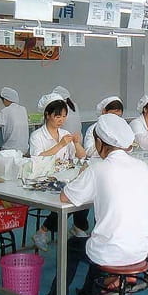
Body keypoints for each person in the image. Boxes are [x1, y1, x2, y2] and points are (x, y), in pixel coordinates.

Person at [45, 114, 148, 295]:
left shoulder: (98, 169)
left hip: (111, 252)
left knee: (73, 245)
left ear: (100, 143)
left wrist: (81, 176)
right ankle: (90, 289)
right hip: (140, 249)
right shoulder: (141, 166)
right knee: (97, 238)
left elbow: (65, 197)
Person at [31, 93, 87, 250]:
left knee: (85, 191)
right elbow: (37, 158)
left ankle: (78, 227)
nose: (61, 120)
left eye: (64, 116)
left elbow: (82, 156)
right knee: (70, 196)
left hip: (63, 177)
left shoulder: (64, 134)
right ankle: (43, 231)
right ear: (47, 115)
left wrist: (77, 144)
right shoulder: (37, 136)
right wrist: (60, 145)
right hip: (43, 179)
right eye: (58, 116)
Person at [0, 87, 29, 154]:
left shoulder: (6, 111)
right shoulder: (23, 109)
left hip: (11, 150)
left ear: (5, 100)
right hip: (24, 149)